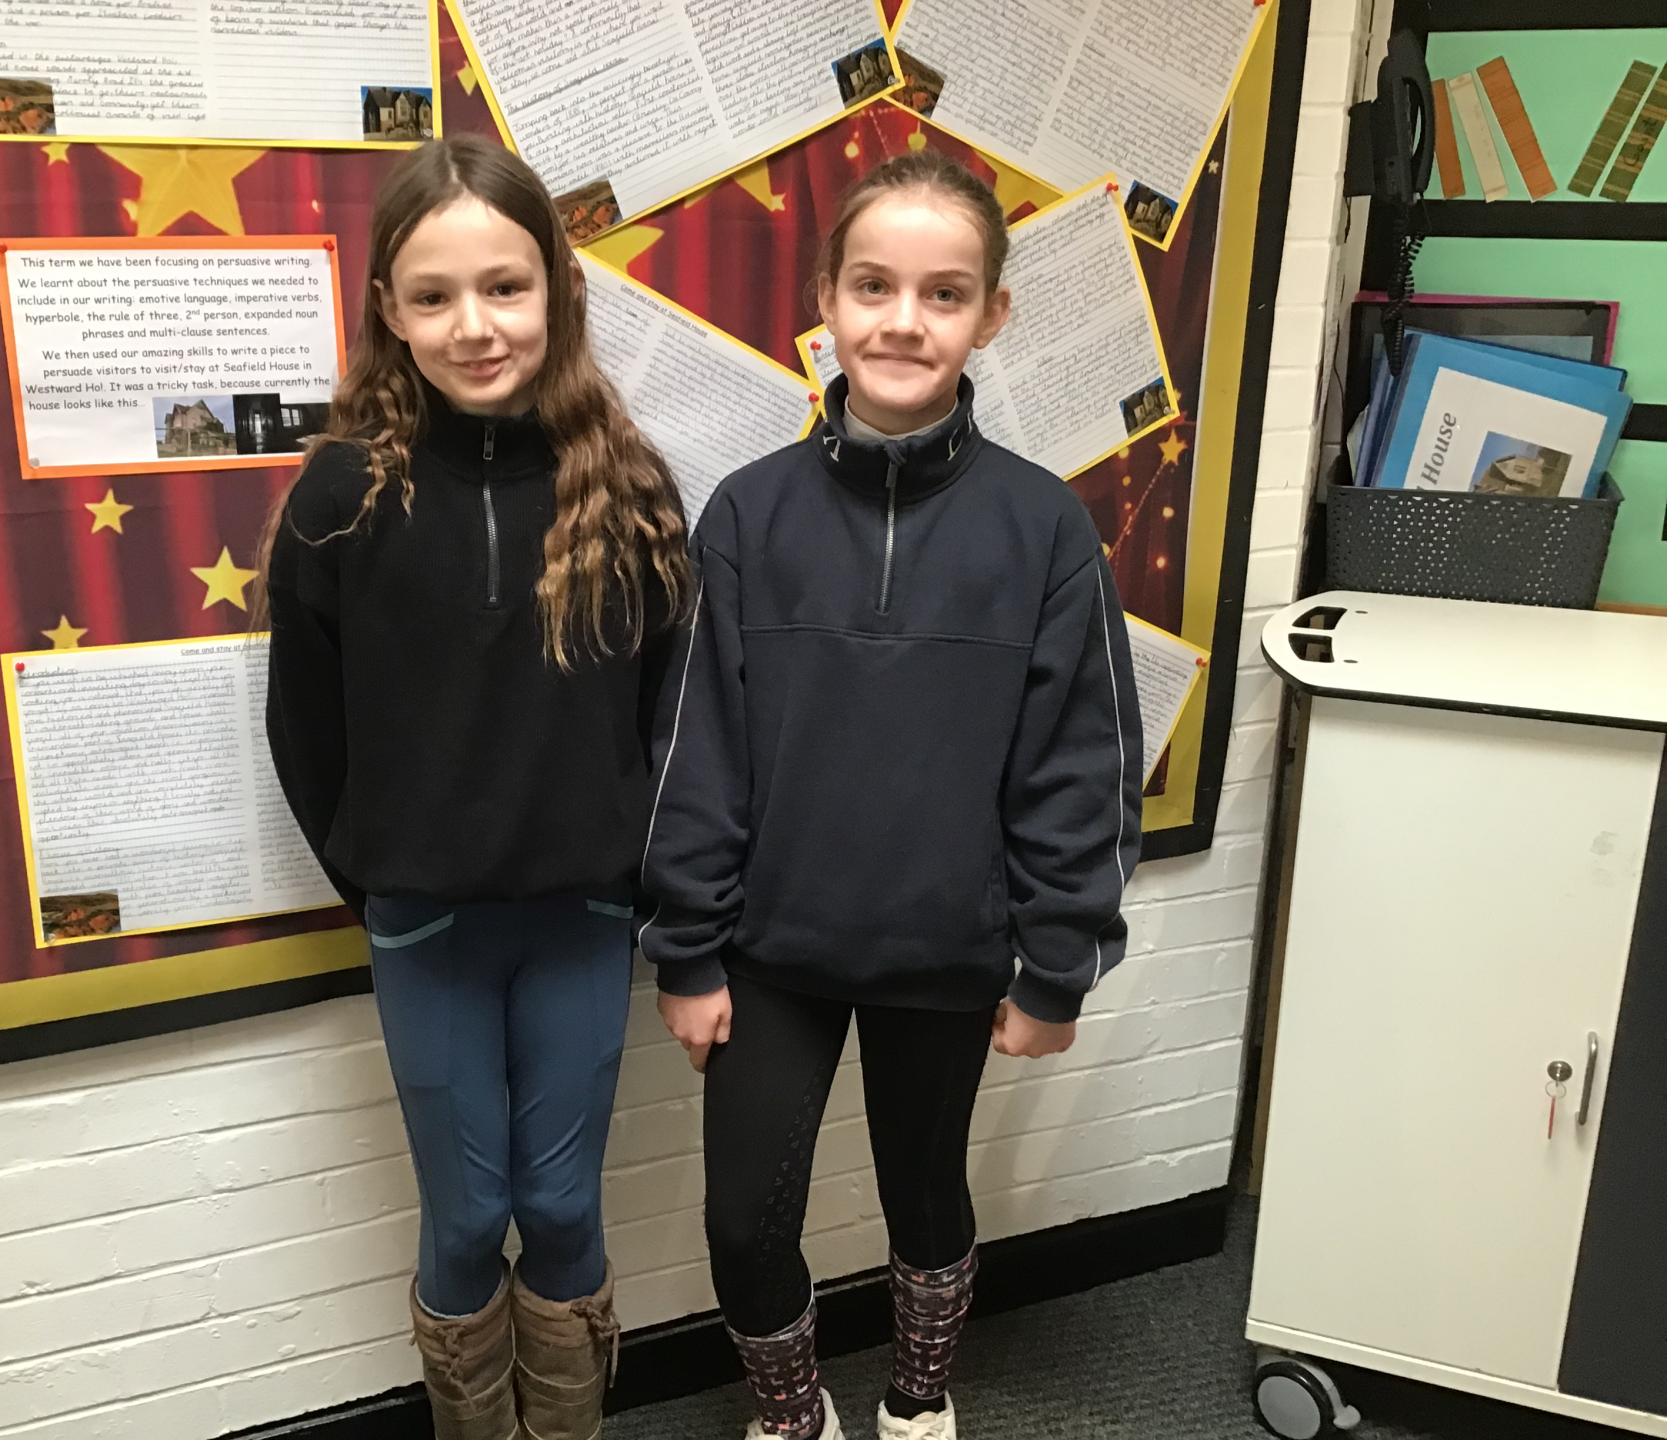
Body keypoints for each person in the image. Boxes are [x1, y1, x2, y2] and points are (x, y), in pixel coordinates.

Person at [641, 152, 1144, 1440]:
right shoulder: (748, 516)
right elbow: (697, 750)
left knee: (925, 1198)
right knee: (743, 1222)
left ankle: (918, 1402)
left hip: (948, 951)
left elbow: (1081, 769)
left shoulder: (1045, 529)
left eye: (943, 293)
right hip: (770, 957)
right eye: (874, 286)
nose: (904, 321)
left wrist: (1057, 971)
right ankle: (791, 1415)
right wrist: (687, 950)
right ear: (827, 298)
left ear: (991, 315)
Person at [260, 134, 692, 1440]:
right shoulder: (342, 496)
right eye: (435, 295)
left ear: (556, 287)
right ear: (388, 310)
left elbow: (673, 716)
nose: (475, 324)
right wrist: (381, 877)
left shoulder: (628, 486)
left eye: (505, 286)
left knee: (558, 1208)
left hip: (583, 918)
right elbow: (305, 731)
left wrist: (642, 872)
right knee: (465, 1216)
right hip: (429, 926)